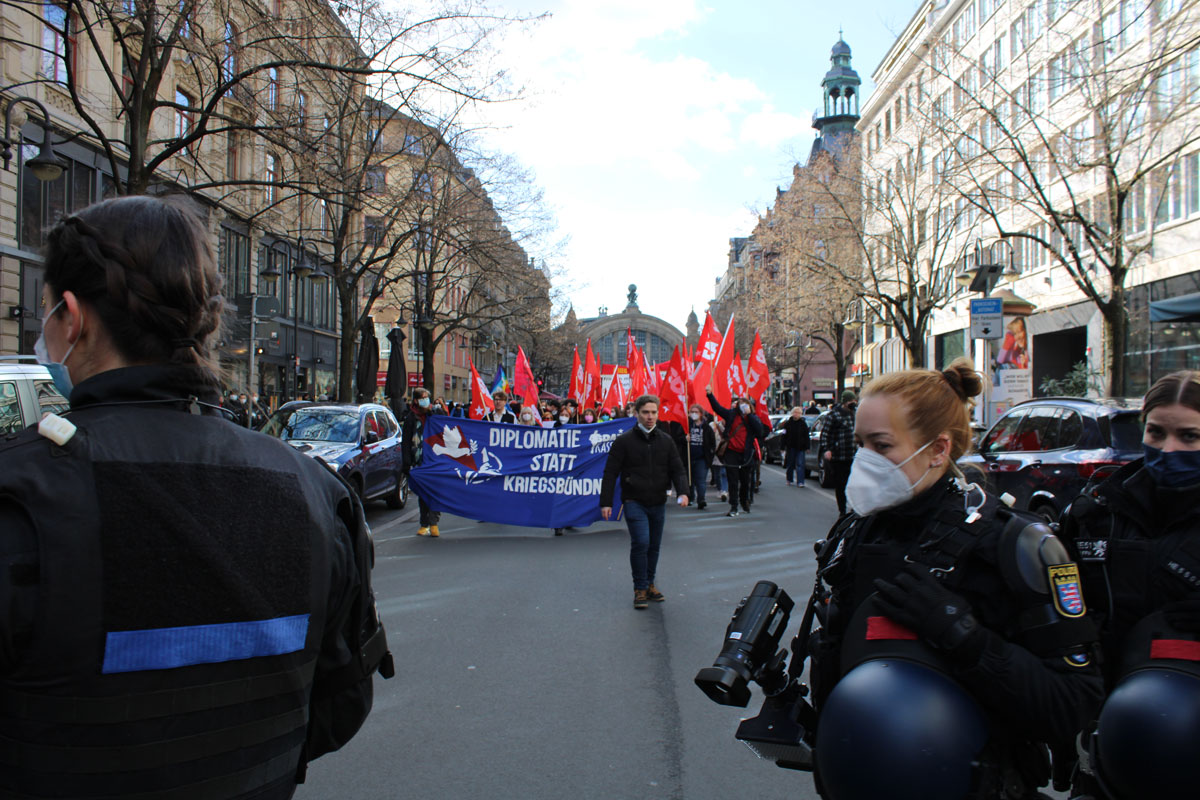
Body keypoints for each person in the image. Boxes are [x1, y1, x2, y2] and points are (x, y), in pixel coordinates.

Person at [0, 195, 391, 799]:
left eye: (46, 312)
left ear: (71, 317)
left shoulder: (21, 491)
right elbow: (342, 701)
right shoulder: (314, 492)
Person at [803, 358, 1102, 799]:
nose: (864, 461)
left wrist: (965, 638)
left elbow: (1074, 700)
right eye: (861, 443)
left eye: (881, 446)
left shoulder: (1013, 544)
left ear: (939, 450)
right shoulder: (854, 536)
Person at [1059, 370, 1200, 799]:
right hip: (1110, 741)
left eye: (1189, 436)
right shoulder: (1097, 511)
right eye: (1156, 432)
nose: (1167, 448)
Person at [600, 395, 690, 609]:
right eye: (645, 412)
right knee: (641, 542)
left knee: (654, 546)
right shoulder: (624, 441)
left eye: (653, 412)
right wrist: (606, 502)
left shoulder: (666, 441)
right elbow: (610, 473)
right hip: (634, 500)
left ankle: (650, 583)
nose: (650, 417)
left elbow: (677, 469)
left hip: (658, 500)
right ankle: (639, 588)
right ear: (636, 414)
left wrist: (684, 492)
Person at [707, 388, 765, 517]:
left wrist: (749, 415)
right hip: (731, 452)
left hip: (746, 454)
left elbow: (760, 431)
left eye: (744, 404)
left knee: (745, 481)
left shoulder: (752, 418)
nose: (742, 406)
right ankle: (734, 505)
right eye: (740, 404)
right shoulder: (732, 415)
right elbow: (718, 408)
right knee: (733, 481)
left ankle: (744, 501)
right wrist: (710, 395)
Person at [403, 386, 443, 537]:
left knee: (435, 492)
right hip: (419, 460)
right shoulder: (411, 418)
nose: (426, 401)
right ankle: (423, 523)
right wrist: (406, 462)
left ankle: (434, 522)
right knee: (423, 493)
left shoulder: (435, 413)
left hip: (435, 459)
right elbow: (406, 441)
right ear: (416, 401)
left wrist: (436, 413)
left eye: (428, 398)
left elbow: (445, 425)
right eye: (423, 398)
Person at [820, 389, 858, 515]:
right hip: (839, 455)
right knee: (841, 484)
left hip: (854, 455)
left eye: (855, 401)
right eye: (851, 401)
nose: (854, 403)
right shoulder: (834, 415)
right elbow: (825, 434)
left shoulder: (855, 414)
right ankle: (842, 510)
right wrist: (827, 449)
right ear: (845, 402)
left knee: (854, 484)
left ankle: (854, 508)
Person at [687, 404, 716, 509]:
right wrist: (685, 439)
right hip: (689, 456)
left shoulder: (707, 427)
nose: (694, 414)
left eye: (696, 412)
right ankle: (690, 497)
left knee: (700, 480)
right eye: (692, 412)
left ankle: (701, 499)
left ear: (700, 414)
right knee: (690, 479)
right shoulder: (687, 425)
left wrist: (710, 454)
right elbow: (678, 438)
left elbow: (712, 443)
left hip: (702, 458)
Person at [783, 406, 811, 487]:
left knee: (800, 464)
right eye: (795, 412)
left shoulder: (803, 424)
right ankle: (789, 479)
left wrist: (807, 447)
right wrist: (782, 447)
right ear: (792, 413)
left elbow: (806, 436)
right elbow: (784, 436)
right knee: (790, 464)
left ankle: (800, 481)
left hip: (800, 447)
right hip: (790, 446)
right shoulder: (788, 423)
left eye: (798, 413)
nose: (796, 414)